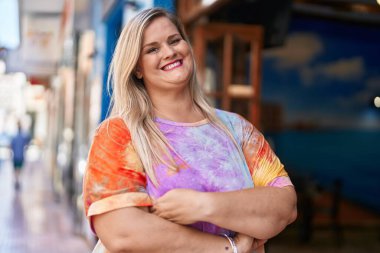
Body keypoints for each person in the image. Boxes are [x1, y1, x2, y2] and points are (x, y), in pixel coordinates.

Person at [83, 7, 297, 253]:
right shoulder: (119, 133)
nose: (169, 52)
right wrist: (230, 247)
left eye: (174, 40)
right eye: (152, 49)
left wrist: (203, 205)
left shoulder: (236, 129)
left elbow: (285, 206)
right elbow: (121, 232)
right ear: (137, 69)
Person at [10, 121, 30, 190]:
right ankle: (17, 181)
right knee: (19, 169)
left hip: (15, 156)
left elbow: (11, 146)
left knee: (16, 169)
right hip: (20, 156)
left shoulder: (14, 137)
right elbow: (27, 144)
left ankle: (17, 180)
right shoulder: (22, 137)